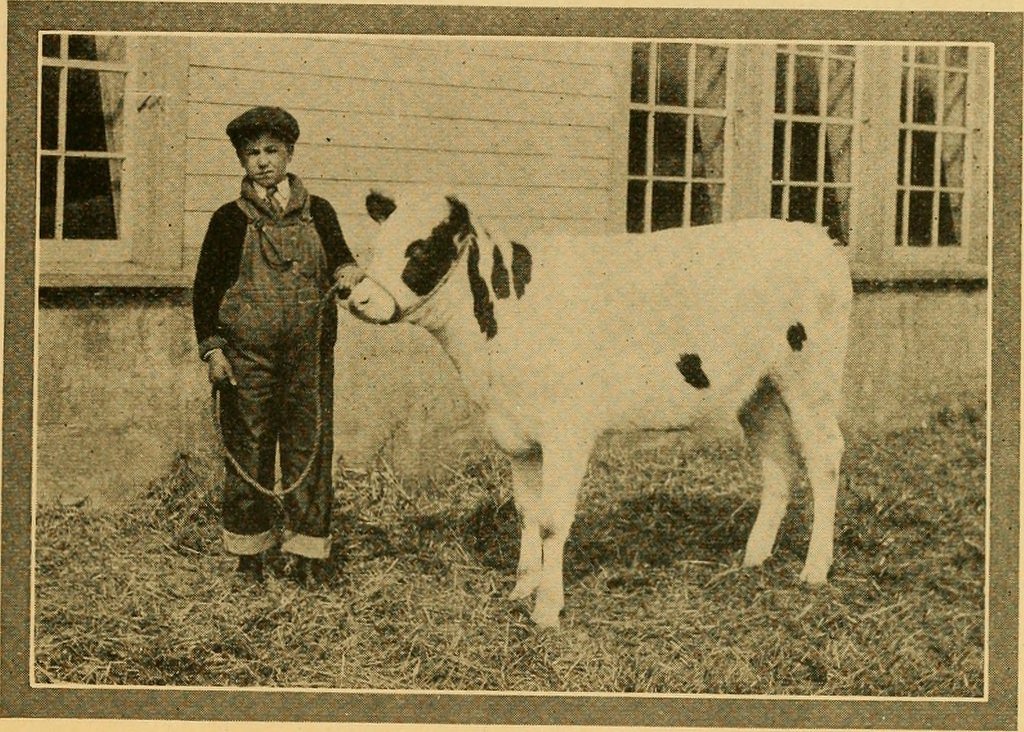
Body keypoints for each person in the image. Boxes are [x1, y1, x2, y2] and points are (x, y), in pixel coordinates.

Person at [192, 106, 363, 587]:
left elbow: (343, 262)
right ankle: (249, 557)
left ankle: (309, 556)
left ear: (289, 153)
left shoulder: (320, 212)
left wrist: (347, 272)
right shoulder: (229, 220)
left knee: (310, 450)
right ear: (241, 161)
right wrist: (214, 351)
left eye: (271, 151)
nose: (263, 161)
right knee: (248, 452)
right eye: (252, 153)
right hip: (248, 359)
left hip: (308, 358)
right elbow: (205, 290)